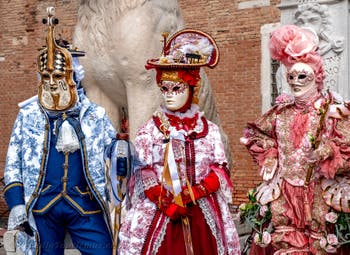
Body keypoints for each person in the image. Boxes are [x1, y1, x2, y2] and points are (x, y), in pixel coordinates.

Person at [3, 7, 129, 254]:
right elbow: (12, 164)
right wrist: (16, 203)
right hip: (42, 208)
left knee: (103, 250)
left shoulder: (95, 114)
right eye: (46, 76)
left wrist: (122, 154)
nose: (51, 83)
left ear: (74, 78)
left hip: (85, 205)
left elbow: (114, 158)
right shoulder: (28, 115)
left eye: (58, 75)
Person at [118, 29, 241, 255]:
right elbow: (144, 172)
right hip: (162, 211)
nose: (169, 95)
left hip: (202, 212)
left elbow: (219, 168)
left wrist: (194, 193)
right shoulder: (151, 130)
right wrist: (167, 204)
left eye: (177, 88)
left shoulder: (208, 130)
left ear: (192, 88)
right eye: (164, 89)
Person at [240, 25, 350, 254]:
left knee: (321, 244)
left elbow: (347, 146)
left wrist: (325, 151)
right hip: (285, 191)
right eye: (291, 76)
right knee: (283, 241)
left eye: (303, 76)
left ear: (317, 77)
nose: (296, 81)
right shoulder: (281, 113)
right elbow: (257, 135)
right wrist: (270, 157)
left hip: (319, 190)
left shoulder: (332, 111)